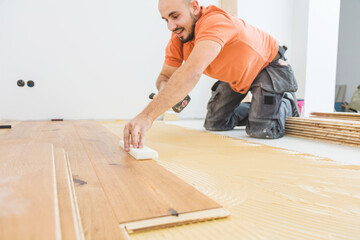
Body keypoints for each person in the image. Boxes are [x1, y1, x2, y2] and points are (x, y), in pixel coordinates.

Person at [123, 0, 299, 151]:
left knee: (262, 130)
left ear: (194, 7)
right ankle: (260, 108)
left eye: (175, 16)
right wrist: (165, 90)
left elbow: (192, 72)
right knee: (215, 123)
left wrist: (147, 116)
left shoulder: (214, 22)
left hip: (267, 66)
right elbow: (165, 76)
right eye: (165, 20)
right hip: (237, 75)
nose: (171, 26)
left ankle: (286, 102)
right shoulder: (179, 37)